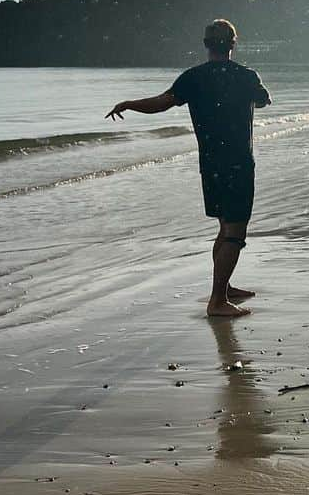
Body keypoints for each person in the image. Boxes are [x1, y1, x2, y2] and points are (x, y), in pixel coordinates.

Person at [106, 19, 272, 317]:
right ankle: (218, 301)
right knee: (235, 232)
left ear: (206, 44)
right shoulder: (246, 76)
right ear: (233, 44)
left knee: (224, 227)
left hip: (209, 165)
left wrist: (130, 103)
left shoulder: (192, 78)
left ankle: (225, 286)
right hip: (239, 164)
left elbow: (161, 103)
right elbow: (264, 101)